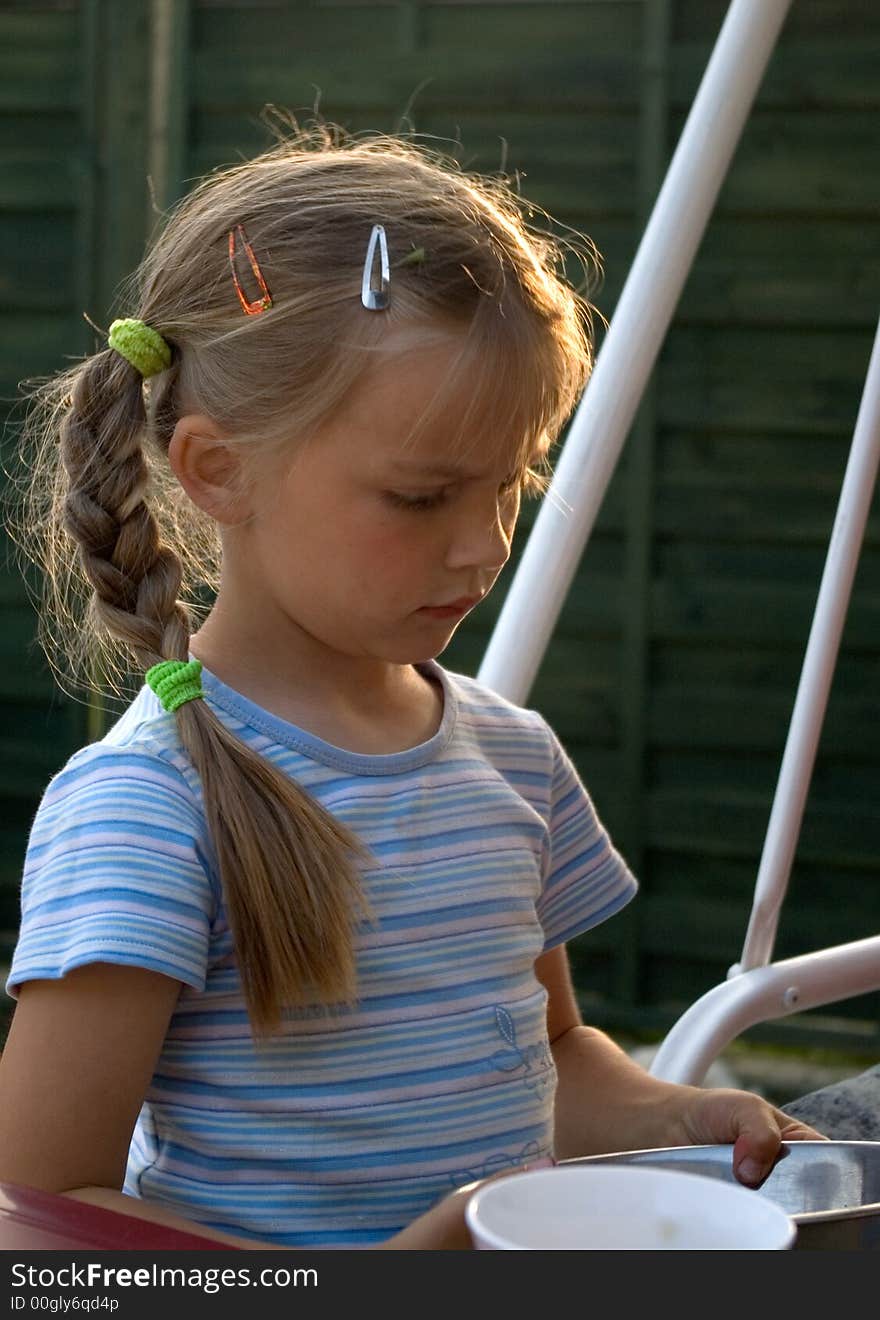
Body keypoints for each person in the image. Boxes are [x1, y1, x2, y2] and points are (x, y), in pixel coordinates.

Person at [0, 124, 824, 1250]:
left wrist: (683, 1111)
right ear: (216, 470)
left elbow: (551, 1055)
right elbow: (43, 1224)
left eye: (511, 484)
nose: (483, 548)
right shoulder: (148, 808)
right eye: (422, 496)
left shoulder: (513, 755)